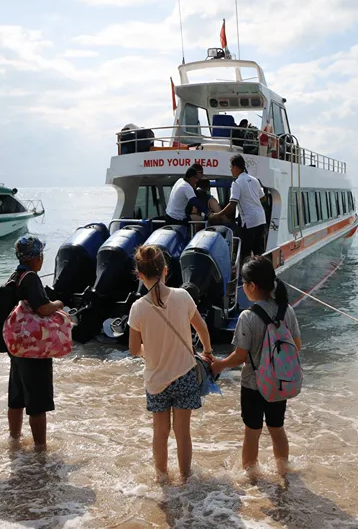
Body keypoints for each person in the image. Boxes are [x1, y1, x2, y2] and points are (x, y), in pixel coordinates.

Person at [128, 245, 214, 482]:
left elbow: (135, 349)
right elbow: (202, 329)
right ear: (166, 270)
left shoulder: (138, 308)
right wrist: (207, 352)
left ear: (140, 275)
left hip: (156, 380)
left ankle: (162, 478)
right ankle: (186, 479)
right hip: (185, 374)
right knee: (183, 432)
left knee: (160, 432)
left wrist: (150, 352)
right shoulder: (182, 296)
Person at [211, 256, 301, 474]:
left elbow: (240, 356)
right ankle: (284, 473)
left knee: (252, 432)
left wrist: (219, 365)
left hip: (254, 385)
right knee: (277, 429)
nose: (243, 287)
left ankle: (252, 479)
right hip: (279, 382)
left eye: (243, 283)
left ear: (252, 285)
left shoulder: (248, 317)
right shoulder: (286, 310)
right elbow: (296, 345)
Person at [7, 235, 65, 451]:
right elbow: (43, 308)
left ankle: (14, 441)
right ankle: (41, 450)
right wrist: (59, 303)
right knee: (37, 402)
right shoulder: (31, 277)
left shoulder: (16, 275)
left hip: (17, 347)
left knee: (17, 397)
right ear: (36, 257)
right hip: (33, 349)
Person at [209, 154, 267, 260]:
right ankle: (262, 274)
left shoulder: (237, 182)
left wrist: (217, 215)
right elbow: (263, 199)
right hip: (261, 219)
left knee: (244, 253)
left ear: (236, 167)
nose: (231, 170)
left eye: (231, 167)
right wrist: (252, 201)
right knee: (259, 251)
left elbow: (232, 205)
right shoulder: (254, 180)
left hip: (249, 221)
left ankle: (242, 275)